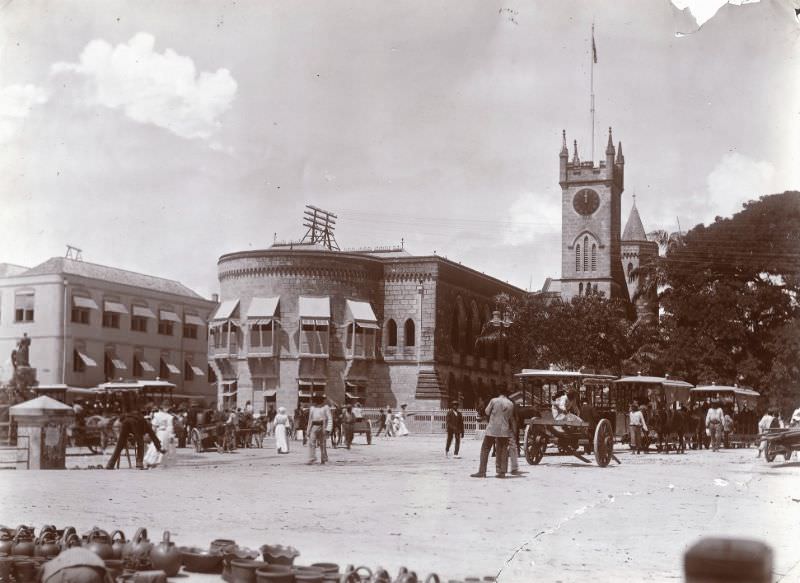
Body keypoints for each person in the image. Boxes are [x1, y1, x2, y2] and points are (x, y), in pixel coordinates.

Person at [471, 387, 514, 478]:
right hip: (504, 429)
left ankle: (482, 471)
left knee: (485, 449)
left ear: (499, 392)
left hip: (492, 428)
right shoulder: (510, 403)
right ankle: (501, 472)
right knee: (502, 450)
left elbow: (486, 412)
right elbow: (509, 417)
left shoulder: (494, 400)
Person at [144, 403, 175, 468]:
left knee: (155, 445)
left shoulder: (156, 415)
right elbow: (170, 427)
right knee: (164, 446)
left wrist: (152, 434)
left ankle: (151, 460)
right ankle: (159, 461)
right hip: (165, 432)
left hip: (158, 432)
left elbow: (154, 426)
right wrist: (171, 436)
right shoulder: (169, 417)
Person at [306, 395, 333, 464]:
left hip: (322, 426)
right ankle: (312, 458)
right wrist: (308, 430)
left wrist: (328, 429)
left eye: (316, 401)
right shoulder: (312, 408)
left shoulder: (325, 408)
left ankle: (323, 458)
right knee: (311, 442)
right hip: (314, 426)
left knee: (322, 443)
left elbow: (329, 418)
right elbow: (310, 420)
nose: (315, 402)